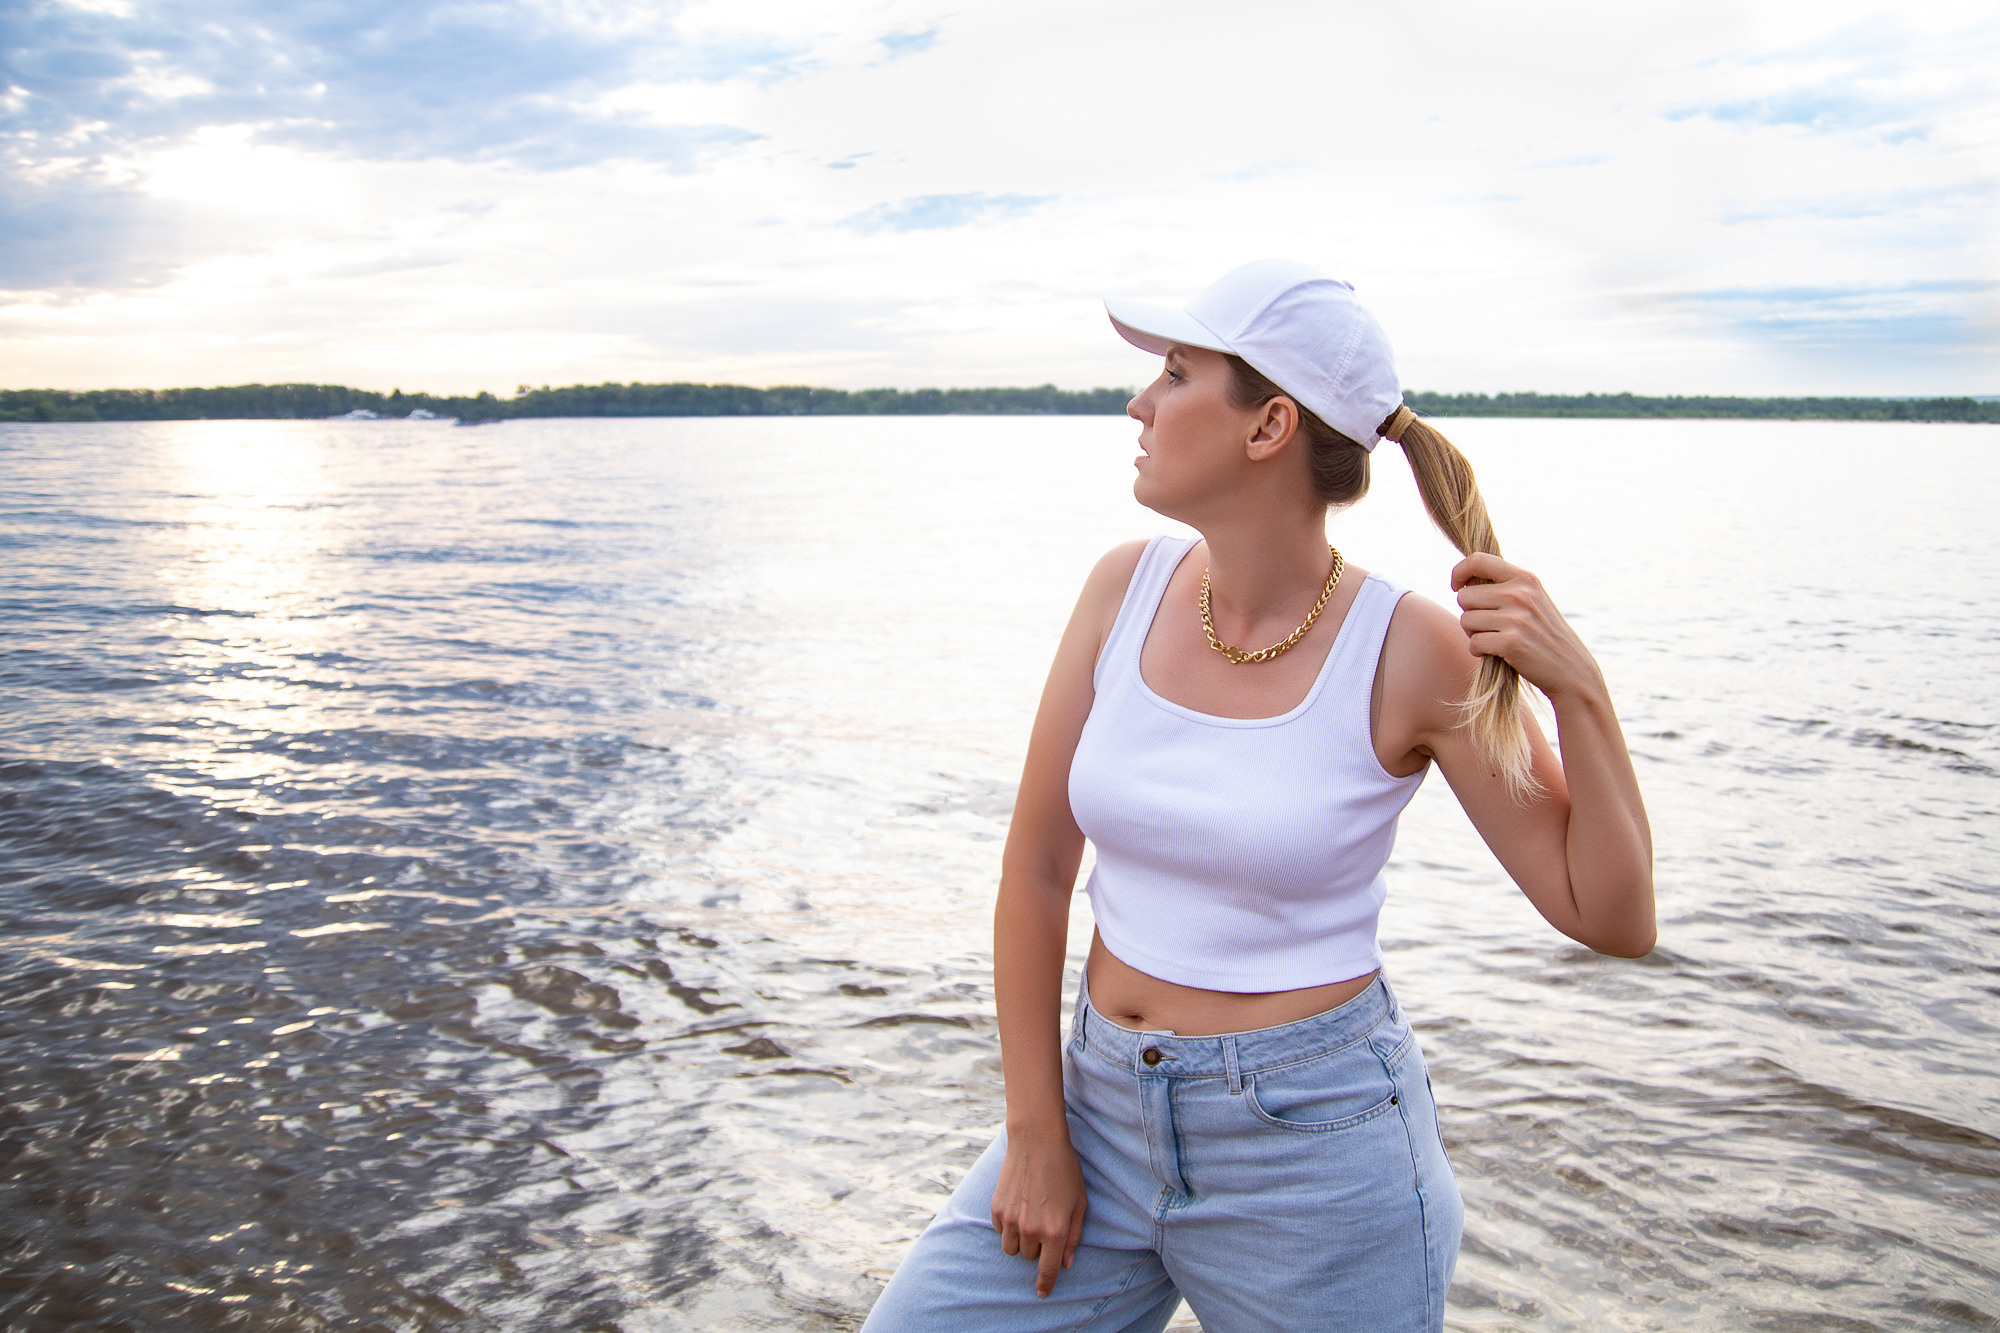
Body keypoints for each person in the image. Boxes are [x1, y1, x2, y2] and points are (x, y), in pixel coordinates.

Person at [861, 261, 1655, 1333]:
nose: (1138, 402)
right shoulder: (1120, 588)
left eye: (1177, 373)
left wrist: (1581, 697)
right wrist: (1036, 1134)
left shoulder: (1407, 648)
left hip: (1314, 1160)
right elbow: (1037, 869)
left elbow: (1607, 915)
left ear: (1268, 424)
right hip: (1094, 1108)